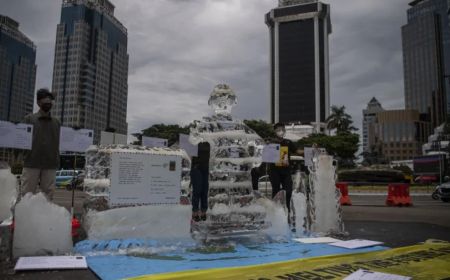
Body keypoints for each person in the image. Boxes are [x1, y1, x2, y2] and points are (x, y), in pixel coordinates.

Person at [21, 88, 60, 201]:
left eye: (49, 100)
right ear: (38, 102)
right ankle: (25, 216)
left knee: (48, 195)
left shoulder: (57, 122)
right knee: (27, 193)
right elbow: (21, 139)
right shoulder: (29, 119)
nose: (48, 102)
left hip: (50, 163)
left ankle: (44, 217)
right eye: (45, 100)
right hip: (31, 162)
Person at [267, 122, 297, 214]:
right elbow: (266, 156)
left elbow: (297, 151)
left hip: (286, 171)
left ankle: (287, 210)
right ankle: (275, 212)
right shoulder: (270, 142)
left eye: (283, 129)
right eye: (279, 130)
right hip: (274, 171)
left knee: (288, 191)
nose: (281, 131)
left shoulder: (288, 142)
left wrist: (310, 149)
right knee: (276, 191)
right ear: (275, 131)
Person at [190, 141, 211, 222]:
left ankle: (203, 211)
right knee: (197, 190)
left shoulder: (209, 141)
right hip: (196, 167)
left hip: (205, 168)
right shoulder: (194, 141)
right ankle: (195, 212)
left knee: (204, 190)